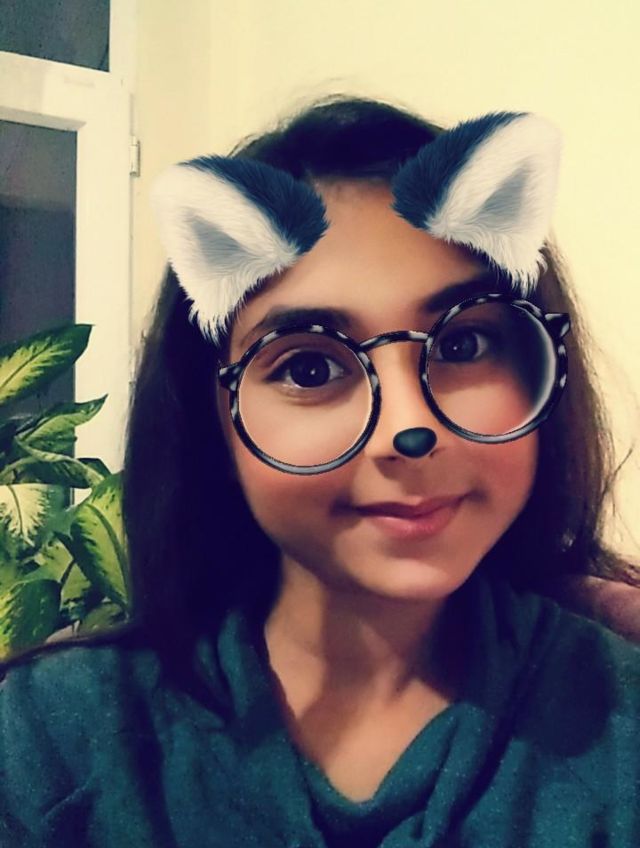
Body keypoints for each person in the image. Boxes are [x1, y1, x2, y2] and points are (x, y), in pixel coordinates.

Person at [0, 94, 639, 848]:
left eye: (463, 346)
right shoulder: (50, 741)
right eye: (309, 368)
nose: (409, 430)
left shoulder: (618, 725)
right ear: (212, 416)